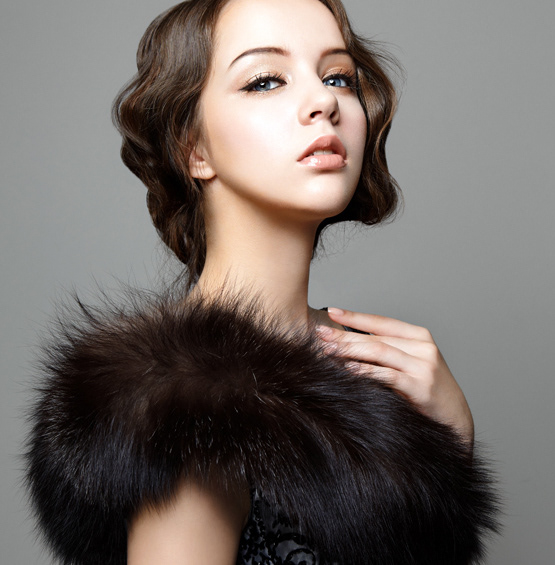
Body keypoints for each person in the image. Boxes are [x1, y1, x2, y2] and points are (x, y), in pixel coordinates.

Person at [25, 0, 498, 564]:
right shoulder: (183, 401)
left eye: (338, 77)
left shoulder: (378, 374)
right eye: (266, 81)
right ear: (193, 148)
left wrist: (450, 441)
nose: (324, 101)